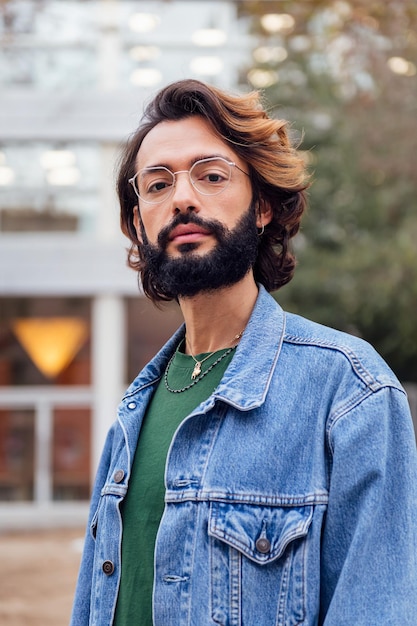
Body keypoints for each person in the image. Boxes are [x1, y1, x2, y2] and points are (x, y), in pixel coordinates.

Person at [71, 79, 417, 626]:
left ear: (262, 206)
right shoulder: (133, 413)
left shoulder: (350, 393)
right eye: (157, 185)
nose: (182, 197)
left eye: (211, 176)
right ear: (138, 223)